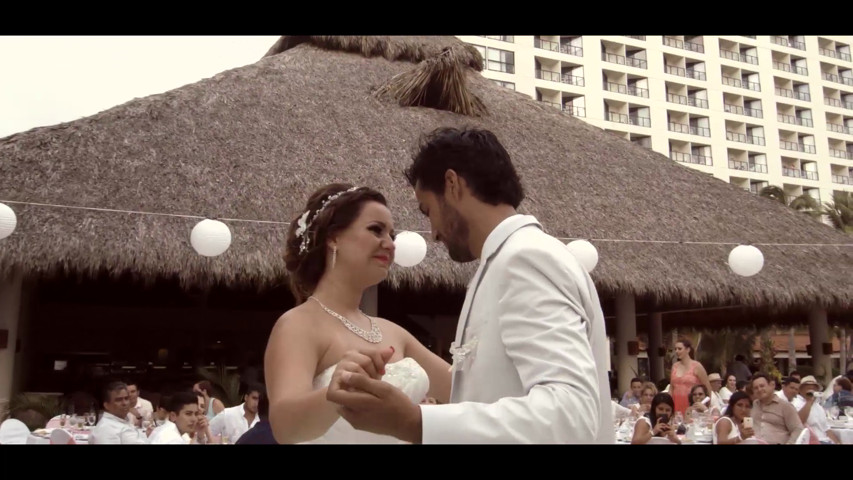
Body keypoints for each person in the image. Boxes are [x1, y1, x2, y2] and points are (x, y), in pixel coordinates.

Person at [325, 127, 613, 443]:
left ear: (452, 184)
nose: (433, 232)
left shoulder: (526, 259)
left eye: (428, 210)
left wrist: (417, 422)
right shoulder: (504, 262)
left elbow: (570, 416)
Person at [264, 184, 452, 444]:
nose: (390, 244)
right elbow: (286, 428)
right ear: (334, 237)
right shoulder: (298, 325)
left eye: (392, 235)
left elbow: (465, 388)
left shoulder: (394, 332)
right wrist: (337, 392)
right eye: (376, 230)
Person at [750, 372, 804, 444]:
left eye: (762, 386)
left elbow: (798, 429)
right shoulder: (753, 405)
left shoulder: (785, 407)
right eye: (756, 388)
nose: (759, 389)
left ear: (771, 385)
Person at [669, 337, 713, 415]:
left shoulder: (697, 366)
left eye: (679, 349)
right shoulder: (674, 366)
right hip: (675, 403)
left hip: (691, 404)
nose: (677, 351)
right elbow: (671, 388)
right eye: (675, 349)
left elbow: (707, 388)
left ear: (688, 350)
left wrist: (705, 406)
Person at [796, 376, 840, 444]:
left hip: (824, 440)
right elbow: (799, 422)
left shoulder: (818, 406)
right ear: (800, 390)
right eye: (808, 388)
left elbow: (826, 429)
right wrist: (809, 401)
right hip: (809, 441)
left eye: (814, 388)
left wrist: (838, 443)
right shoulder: (796, 403)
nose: (811, 390)